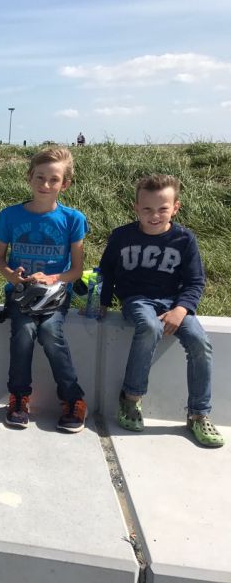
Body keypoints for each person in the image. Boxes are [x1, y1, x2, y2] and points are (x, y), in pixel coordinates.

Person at [98, 174, 223, 447]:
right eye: (147, 209)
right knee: (150, 326)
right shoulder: (121, 236)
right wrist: (103, 302)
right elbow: (107, 270)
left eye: (162, 209)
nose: (154, 215)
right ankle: (131, 398)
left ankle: (199, 414)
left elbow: (195, 281)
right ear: (136, 208)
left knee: (200, 342)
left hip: (174, 303)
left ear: (175, 207)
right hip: (137, 300)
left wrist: (182, 309)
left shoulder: (184, 239)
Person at [0, 146, 88, 432]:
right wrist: (12, 276)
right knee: (23, 332)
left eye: (53, 179)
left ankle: (73, 399)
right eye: (40, 177)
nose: (45, 184)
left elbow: (76, 271)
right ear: (29, 177)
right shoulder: (9, 216)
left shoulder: (73, 219)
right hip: (21, 294)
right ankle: (19, 398)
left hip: (55, 296)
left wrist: (52, 278)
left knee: (49, 333)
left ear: (65, 184)